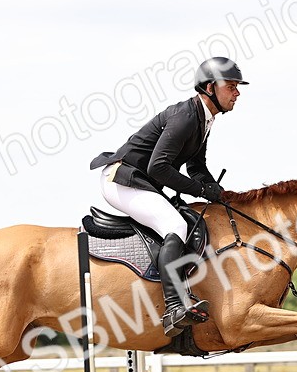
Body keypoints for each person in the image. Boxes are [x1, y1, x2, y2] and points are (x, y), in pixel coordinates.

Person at [90, 57, 247, 337]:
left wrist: (219, 193)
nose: (237, 93)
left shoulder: (204, 118)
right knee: (176, 225)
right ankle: (174, 306)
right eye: (232, 86)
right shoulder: (186, 117)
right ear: (210, 87)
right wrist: (200, 190)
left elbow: (196, 167)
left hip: (142, 180)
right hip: (122, 179)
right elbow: (158, 167)